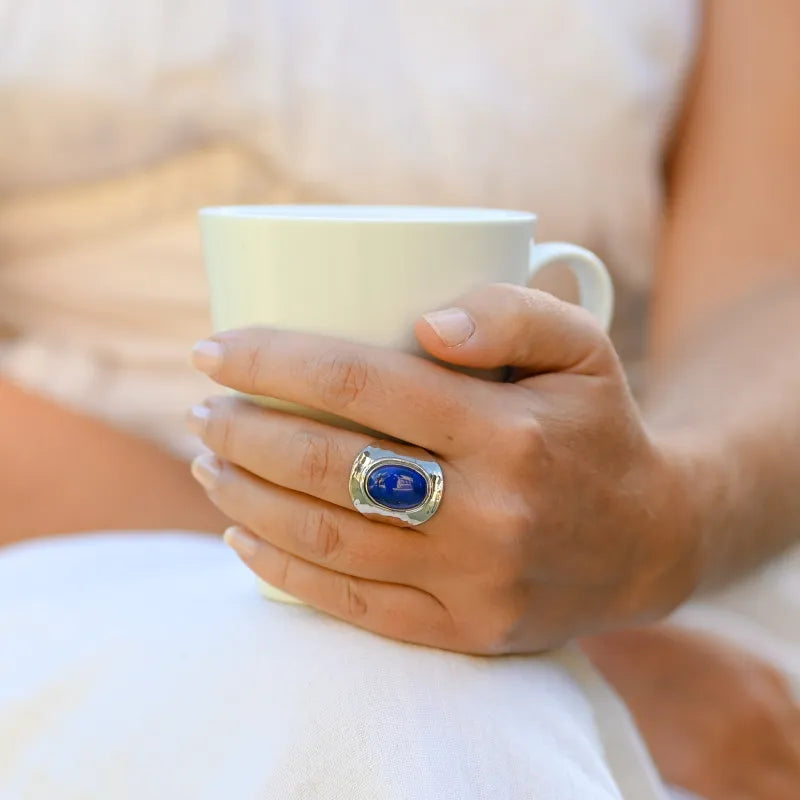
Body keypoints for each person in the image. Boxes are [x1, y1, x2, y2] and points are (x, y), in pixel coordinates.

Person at [1, 1, 799, 798]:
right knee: (398, 708)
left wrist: (656, 529)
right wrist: (411, 576)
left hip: (654, 553)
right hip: (71, 534)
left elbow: (769, 287)